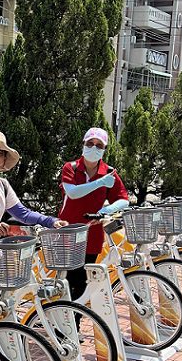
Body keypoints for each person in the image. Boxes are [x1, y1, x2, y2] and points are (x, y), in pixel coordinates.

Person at [58, 127, 130, 301]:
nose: (94, 148)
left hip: (93, 233)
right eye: (90, 143)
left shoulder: (109, 171)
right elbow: (72, 193)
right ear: (83, 144)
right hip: (69, 230)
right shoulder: (71, 168)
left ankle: (75, 323)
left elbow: (124, 199)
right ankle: (62, 323)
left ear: (104, 150)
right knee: (67, 280)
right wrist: (100, 183)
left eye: (99, 145)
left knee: (83, 282)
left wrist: (106, 210)